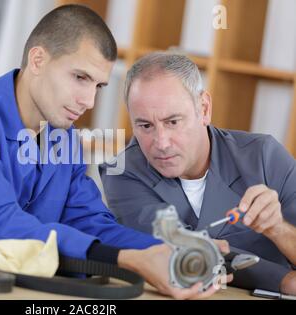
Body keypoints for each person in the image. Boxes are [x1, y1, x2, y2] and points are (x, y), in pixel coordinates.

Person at [0, 5, 228, 299]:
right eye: (80, 77)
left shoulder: (63, 139)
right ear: (38, 59)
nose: (89, 101)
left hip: (4, 288)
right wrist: (128, 260)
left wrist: (174, 252)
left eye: (98, 86)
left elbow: (93, 223)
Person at [100, 51, 296, 294]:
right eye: (145, 125)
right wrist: (284, 280)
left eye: (173, 122)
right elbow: (176, 252)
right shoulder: (122, 173)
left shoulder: (264, 156)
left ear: (204, 108)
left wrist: (277, 228)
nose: (161, 142)